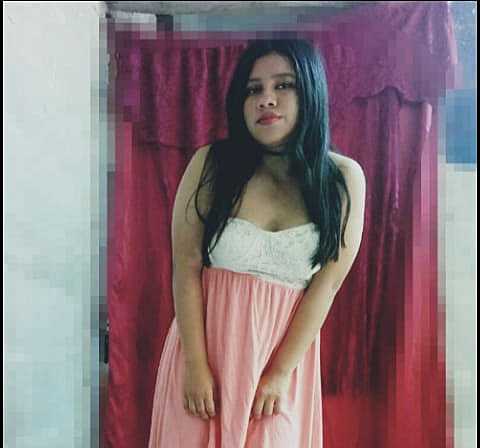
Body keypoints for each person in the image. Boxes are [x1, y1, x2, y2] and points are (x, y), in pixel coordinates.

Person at [148, 38, 366, 447]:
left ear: (311, 93)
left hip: (280, 367)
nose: (266, 99)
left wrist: (280, 373)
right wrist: (195, 365)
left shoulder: (342, 179)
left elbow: (328, 284)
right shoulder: (211, 163)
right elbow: (186, 266)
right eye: (254, 89)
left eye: (283, 85)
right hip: (204, 359)